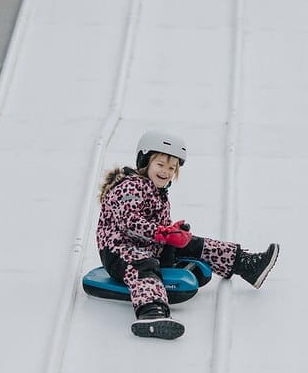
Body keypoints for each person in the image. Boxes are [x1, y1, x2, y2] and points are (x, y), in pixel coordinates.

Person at [96, 130, 279, 340]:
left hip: (149, 245)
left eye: (171, 167)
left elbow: (159, 228)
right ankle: (151, 313)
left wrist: (174, 232)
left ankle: (247, 265)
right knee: (143, 266)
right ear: (145, 161)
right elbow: (129, 221)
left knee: (191, 243)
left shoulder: (158, 192)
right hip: (120, 251)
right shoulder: (129, 186)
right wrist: (162, 232)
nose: (166, 171)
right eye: (160, 164)